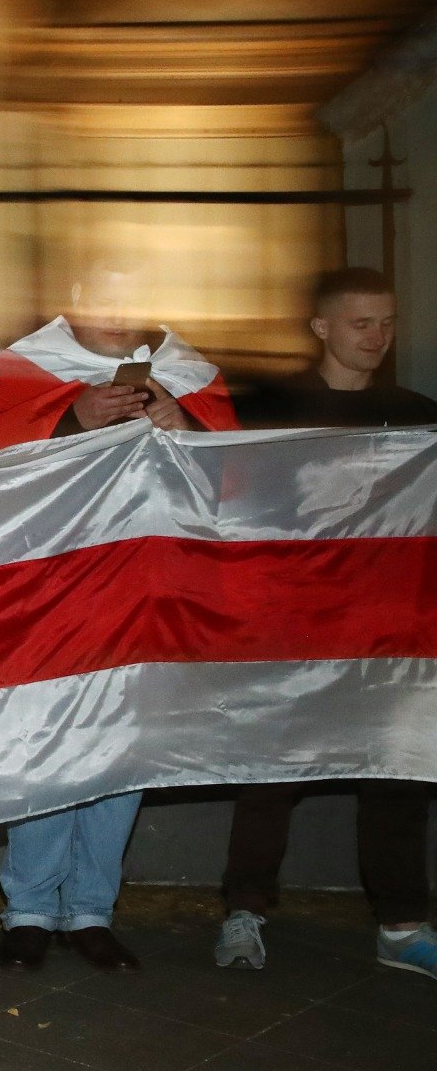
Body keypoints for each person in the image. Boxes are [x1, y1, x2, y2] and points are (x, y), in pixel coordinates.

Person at [0, 259, 237, 972]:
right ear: (72, 298)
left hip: (144, 589)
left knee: (118, 748)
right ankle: (28, 907)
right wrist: (67, 417)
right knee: (47, 740)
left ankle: (90, 908)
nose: (118, 310)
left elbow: (233, 479)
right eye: (101, 295)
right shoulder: (30, 369)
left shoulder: (191, 373)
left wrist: (186, 429)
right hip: (52, 586)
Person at [213, 267, 437, 979]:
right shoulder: (265, 410)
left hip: (390, 628)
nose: (377, 337)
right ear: (322, 328)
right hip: (293, 624)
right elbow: (220, 495)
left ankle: (402, 924)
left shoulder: (417, 415)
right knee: (271, 773)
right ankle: (243, 912)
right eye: (360, 323)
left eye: (386, 323)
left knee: (398, 774)